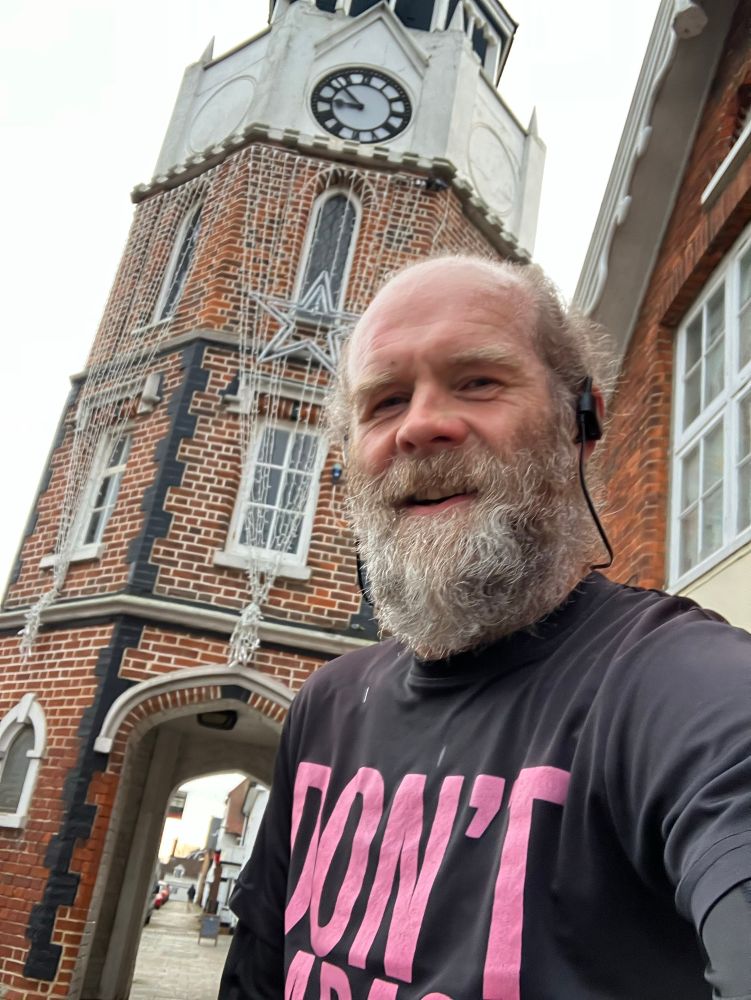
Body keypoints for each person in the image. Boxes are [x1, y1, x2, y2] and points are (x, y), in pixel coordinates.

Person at [219, 256, 751, 999]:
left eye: (477, 381)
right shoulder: (326, 706)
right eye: (385, 401)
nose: (420, 426)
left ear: (579, 422)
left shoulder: (682, 687)